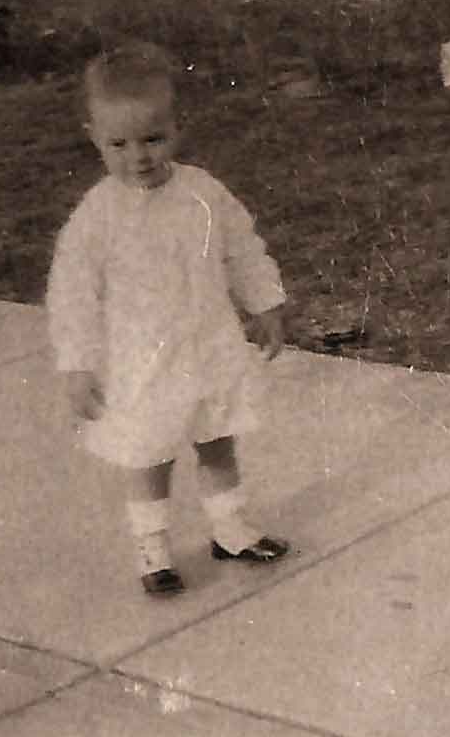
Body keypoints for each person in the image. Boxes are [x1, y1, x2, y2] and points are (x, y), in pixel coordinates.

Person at [47, 42, 290, 595]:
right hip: (141, 360)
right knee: (149, 452)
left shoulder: (203, 194)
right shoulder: (97, 217)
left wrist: (265, 301)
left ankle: (231, 528)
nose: (139, 156)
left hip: (205, 346)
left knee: (217, 437)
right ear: (94, 137)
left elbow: (241, 248)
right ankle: (152, 546)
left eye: (153, 139)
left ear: (176, 130)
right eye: (119, 143)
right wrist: (78, 364)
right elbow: (73, 294)